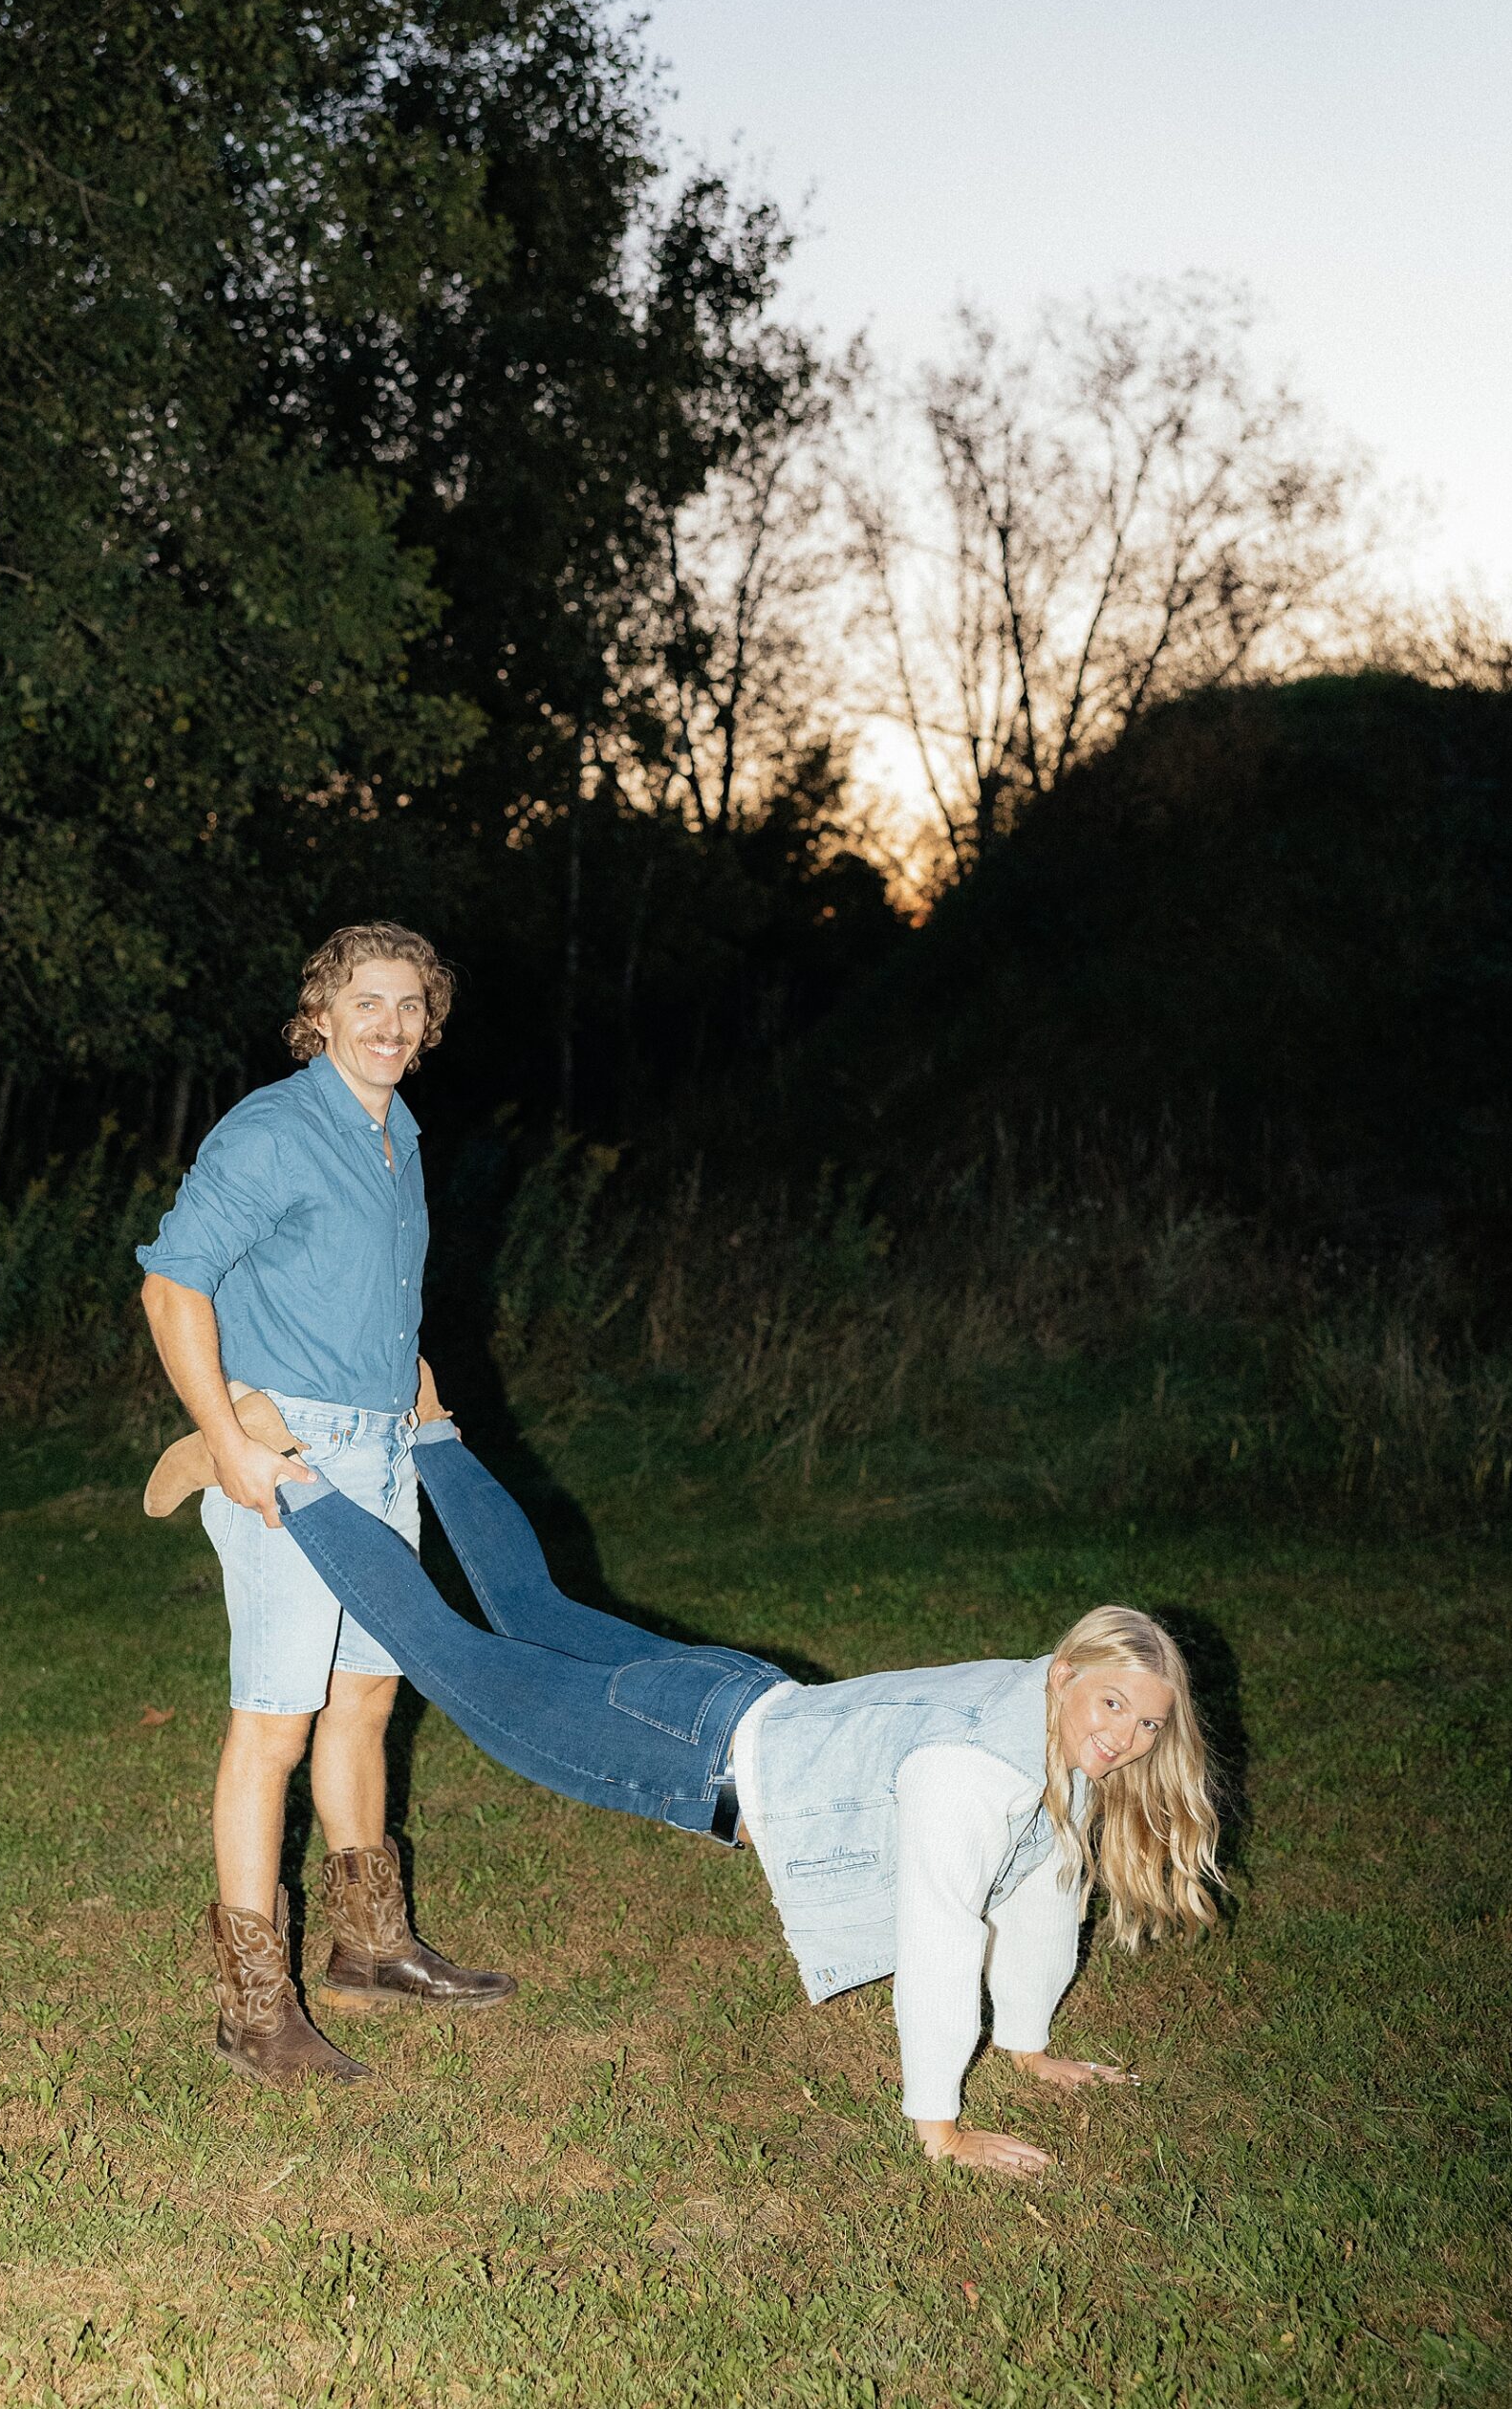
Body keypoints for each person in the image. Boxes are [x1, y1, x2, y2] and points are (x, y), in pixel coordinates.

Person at [147, 1368, 1223, 2172]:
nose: (1123, 1736)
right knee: (448, 1653)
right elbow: (943, 1935)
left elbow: (1043, 1891)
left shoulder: (1046, 1730)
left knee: (530, 1611)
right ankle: (275, 1473)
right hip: (694, 1745)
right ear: (1067, 1673)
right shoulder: (982, 1774)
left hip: (739, 1696)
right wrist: (938, 2125)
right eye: (1112, 1705)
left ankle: (430, 1426)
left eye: (1146, 1724)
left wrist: (1026, 2046)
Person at [136, 922, 515, 2090]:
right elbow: (171, 1285)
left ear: (428, 1022)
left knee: (367, 1697)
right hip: (288, 1456)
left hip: (383, 1450)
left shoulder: (397, 1132)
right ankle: (255, 2012)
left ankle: (370, 1948)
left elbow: (370, 1292)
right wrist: (228, 1444)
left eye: (410, 1005)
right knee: (275, 1723)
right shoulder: (271, 1130)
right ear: (321, 1014)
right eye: (367, 1002)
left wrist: (418, 1387)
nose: (390, 1024)